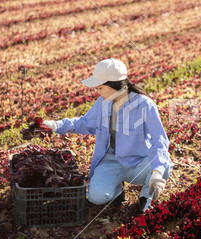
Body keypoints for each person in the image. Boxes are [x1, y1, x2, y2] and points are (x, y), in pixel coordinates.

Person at [44, 58, 173, 213]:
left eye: (100, 88)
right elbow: (85, 124)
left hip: (138, 161)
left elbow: (160, 140)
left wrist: (157, 173)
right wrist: (56, 125)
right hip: (111, 160)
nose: (97, 92)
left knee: (164, 167)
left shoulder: (144, 105)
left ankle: (145, 196)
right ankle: (117, 188)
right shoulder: (103, 103)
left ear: (115, 86)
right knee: (96, 197)